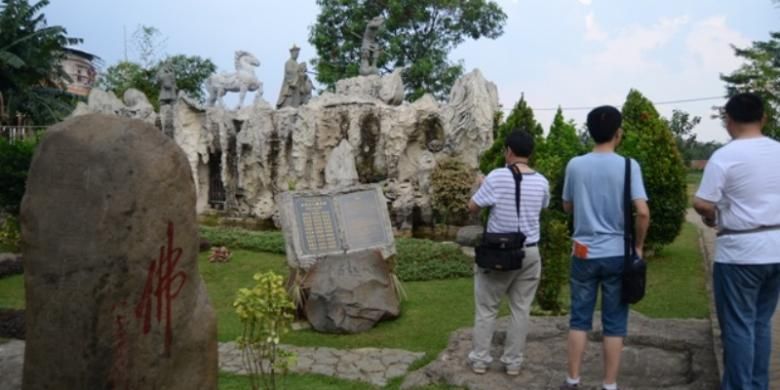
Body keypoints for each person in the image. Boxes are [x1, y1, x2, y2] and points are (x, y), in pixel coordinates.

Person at [693, 92, 780, 389]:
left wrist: (712, 216)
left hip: (740, 253)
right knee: (761, 323)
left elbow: (702, 202)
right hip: (776, 249)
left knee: (739, 327)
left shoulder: (725, 156)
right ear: (763, 118)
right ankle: (758, 384)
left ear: (728, 121)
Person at [560, 106, 650, 390]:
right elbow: (643, 212)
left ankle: (572, 380)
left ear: (589, 132)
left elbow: (567, 206)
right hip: (617, 255)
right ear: (618, 133)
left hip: (583, 253)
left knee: (579, 319)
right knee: (614, 323)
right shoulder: (628, 165)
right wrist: (638, 246)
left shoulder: (575, 164)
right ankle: (609, 385)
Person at [467, 130, 550, 376]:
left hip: (499, 253)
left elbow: (472, 207)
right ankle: (513, 362)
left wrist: (480, 186)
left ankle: (481, 359)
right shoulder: (542, 181)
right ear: (530, 153)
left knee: (487, 307)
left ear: (508, 151)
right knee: (521, 308)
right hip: (530, 252)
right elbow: (542, 207)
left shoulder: (496, 176)